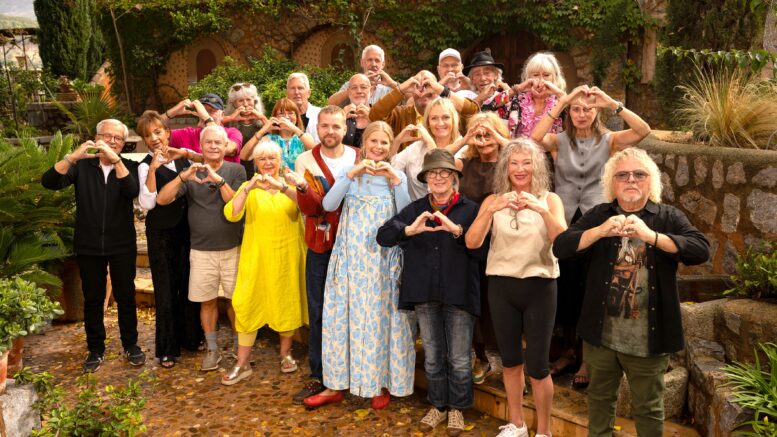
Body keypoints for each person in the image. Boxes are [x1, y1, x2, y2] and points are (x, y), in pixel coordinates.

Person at [552, 148, 710, 437]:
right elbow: (561, 247)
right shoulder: (600, 215)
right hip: (601, 336)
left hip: (648, 339)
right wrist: (599, 231)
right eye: (622, 175)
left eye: (639, 174)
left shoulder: (667, 216)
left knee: (648, 409)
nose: (631, 180)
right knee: (599, 401)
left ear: (651, 181)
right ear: (612, 183)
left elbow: (700, 249)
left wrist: (651, 237)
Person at [531, 84, 651, 388]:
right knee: (566, 287)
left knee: (592, 287)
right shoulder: (559, 141)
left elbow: (643, 130)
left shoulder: (610, 140)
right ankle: (568, 351)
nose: (582, 114)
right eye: (576, 109)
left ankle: (587, 358)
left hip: (598, 223)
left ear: (596, 112)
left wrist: (612, 103)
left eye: (588, 109)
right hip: (565, 222)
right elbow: (534, 138)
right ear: (569, 112)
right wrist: (562, 101)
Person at [303, 121, 414, 410]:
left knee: (380, 319)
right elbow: (328, 205)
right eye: (373, 141)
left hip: (381, 261)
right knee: (341, 318)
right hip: (350, 258)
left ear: (390, 146)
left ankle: (379, 382)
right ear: (364, 144)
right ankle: (335, 383)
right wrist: (351, 174)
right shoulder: (349, 172)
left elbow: (406, 214)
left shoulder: (397, 176)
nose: (378, 147)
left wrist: (395, 179)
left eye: (384, 142)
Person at [465, 139, 567, 437]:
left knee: (538, 366)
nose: (520, 169)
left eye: (526, 163)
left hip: (540, 287)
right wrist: (490, 210)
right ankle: (518, 424)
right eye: (514, 163)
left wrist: (542, 211)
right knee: (510, 362)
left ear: (537, 167)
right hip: (502, 287)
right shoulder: (493, 200)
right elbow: (472, 242)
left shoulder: (550, 199)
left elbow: (563, 242)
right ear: (505, 168)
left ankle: (544, 431)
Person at [376, 149, 481, 436]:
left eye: (444, 172)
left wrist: (457, 231)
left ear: (454, 177)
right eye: (432, 173)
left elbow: (484, 251)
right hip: (424, 293)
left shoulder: (470, 210)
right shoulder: (415, 209)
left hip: (459, 293)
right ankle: (438, 405)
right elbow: (383, 236)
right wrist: (409, 231)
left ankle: (457, 408)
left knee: (459, 358)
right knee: (433, 356)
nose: (438, 177)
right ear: (425, 179)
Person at [41, 119, 146, 372]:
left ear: (123, 143)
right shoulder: (82, 167)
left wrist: (117, 161)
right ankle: (95, 349)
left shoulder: (129, 166)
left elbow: (131, 190)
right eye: (107, 136)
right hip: (88, 244)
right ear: (96, 138)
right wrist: (72, 156)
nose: (112, 141)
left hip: (122, 243)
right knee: (93, 299)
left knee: (126, 296)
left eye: (118, 138)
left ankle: (131, 345)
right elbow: (49, 181)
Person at [156, 125, 246, 372]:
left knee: (236, 302)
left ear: (225, 145)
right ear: (201, 146)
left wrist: (218, 179)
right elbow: (162, 199)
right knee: (207, 302)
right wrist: (182, 177)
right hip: (201, 250)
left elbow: (236, 205)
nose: (214, 146)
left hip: (233, 249)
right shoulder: (191, 171)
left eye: (218, 142)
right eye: (209, 143)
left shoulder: (236, 170)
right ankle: (212, 349)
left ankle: (240, 349)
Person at [221, 140, 308, 385]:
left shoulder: (290, 183)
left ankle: (286, 354)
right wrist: (248, 188)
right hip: (256, 257)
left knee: (286, 301)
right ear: (256, 163)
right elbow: (232, 213)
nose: (268, 163)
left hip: (286, 256)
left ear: (280, 160)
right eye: (262, 159)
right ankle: (242, 363)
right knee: (247, 304)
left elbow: (306, 206)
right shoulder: (249, 188)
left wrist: (283, 187)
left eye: (272, 158)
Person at [290, 106, 359, 404]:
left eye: (336, 126)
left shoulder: (358, 156)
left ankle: (354, 371)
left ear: (345, 129)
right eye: (325, 126)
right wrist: (307, 191)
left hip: (353, 246)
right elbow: (309, 207)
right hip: (320, 243)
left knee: (352, 309)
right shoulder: (305, 160)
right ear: (317, 128)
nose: (330, 131)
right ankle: (319, 374)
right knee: (318, 310)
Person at [445, 111, 510, 384]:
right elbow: (438, 158)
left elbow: (526, 155)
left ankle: (511, 364)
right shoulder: (466, 163)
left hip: (503, 240)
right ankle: (481, 356)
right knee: (475, 297)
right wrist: (465, 139)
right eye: (479, 134)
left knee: (500, 300)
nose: (483, 139)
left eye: (488, 134)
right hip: (471, 239)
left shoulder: (509, 162)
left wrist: (498, 138)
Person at [136, 111, 203, 368]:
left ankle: (191, 338)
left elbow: (207, 160)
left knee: (188, 285)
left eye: (157, 132)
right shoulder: (144, 165)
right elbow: (147, 203)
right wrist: (154, 169)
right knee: (165, 291)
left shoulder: (182, 158)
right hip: (161, 235)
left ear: (167, 132)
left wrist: (185, 153)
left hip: (187, 231)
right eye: (147, 135)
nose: (154, 138)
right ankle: (167, 348)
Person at [369, 70, 479, 145]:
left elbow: (473, 111)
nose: (423, 91)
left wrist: (442, 90)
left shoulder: (450, 114)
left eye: (428, 85)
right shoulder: (401, 114)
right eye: (417, 86)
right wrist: (401, 89)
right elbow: (375, 115)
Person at [391, 97, 461, 200]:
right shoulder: (418, 146)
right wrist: (397, 141)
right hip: (415, 208)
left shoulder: (463, 148)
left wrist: (430, 143)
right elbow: (392, 170)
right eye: (434, 118)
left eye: (446, 117)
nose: (440, 123)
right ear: (428, 122)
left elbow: (439, 186)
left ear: (454, 120)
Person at [162, 94, 243, 163]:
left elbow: (230, 149)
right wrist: (171, 113)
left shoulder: (232, 132)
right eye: (203, 111)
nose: (205, 114)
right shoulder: (187, 134)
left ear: (222, 115)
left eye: (212, 111)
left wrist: (207, 118)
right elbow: (155, 133)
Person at [241, 98, 314, 172]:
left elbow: (316, 152)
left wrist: (294, 128)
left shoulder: (304, 137)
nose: (286, 117)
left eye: (291, 113)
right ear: (275, 117)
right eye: (281, 114)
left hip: (300, 179)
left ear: (297, 117)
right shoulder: (268, 140)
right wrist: (263, 130)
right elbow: (243, 156)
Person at [221, 82, 267, 178]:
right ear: (234, 104)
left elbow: (277, 132)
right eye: (240, 101)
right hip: (234, 171)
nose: (245, 104)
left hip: (259, 170)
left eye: (249, 99)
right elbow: (211, 127)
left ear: (255, 101)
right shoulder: (228, 123)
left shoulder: (262, 122)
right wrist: (231, 118)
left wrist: (262, 118)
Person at [328, 45, 396, 106]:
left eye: (377, 60)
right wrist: (356, 85)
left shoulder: (390, 87)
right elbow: (330, 104)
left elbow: (402, 107)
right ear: (362, 63)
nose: (373, 64)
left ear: (383, 64)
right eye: (370, 60)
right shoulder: (350, 84)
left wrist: (392, 84)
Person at [287, 72, 321, 143]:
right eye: (292, 88)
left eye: (300, 88)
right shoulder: (282, 117)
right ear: (287, 93)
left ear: (309, 93)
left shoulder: (320, 115)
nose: (296, 92)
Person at [342, 73, 372, 148]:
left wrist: (373, 119)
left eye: (363, 87)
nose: (359, 91)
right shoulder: (340, 114)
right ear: (349, 92)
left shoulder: (380, 114)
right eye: (354, 87)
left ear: (371, 91)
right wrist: (340, 120)